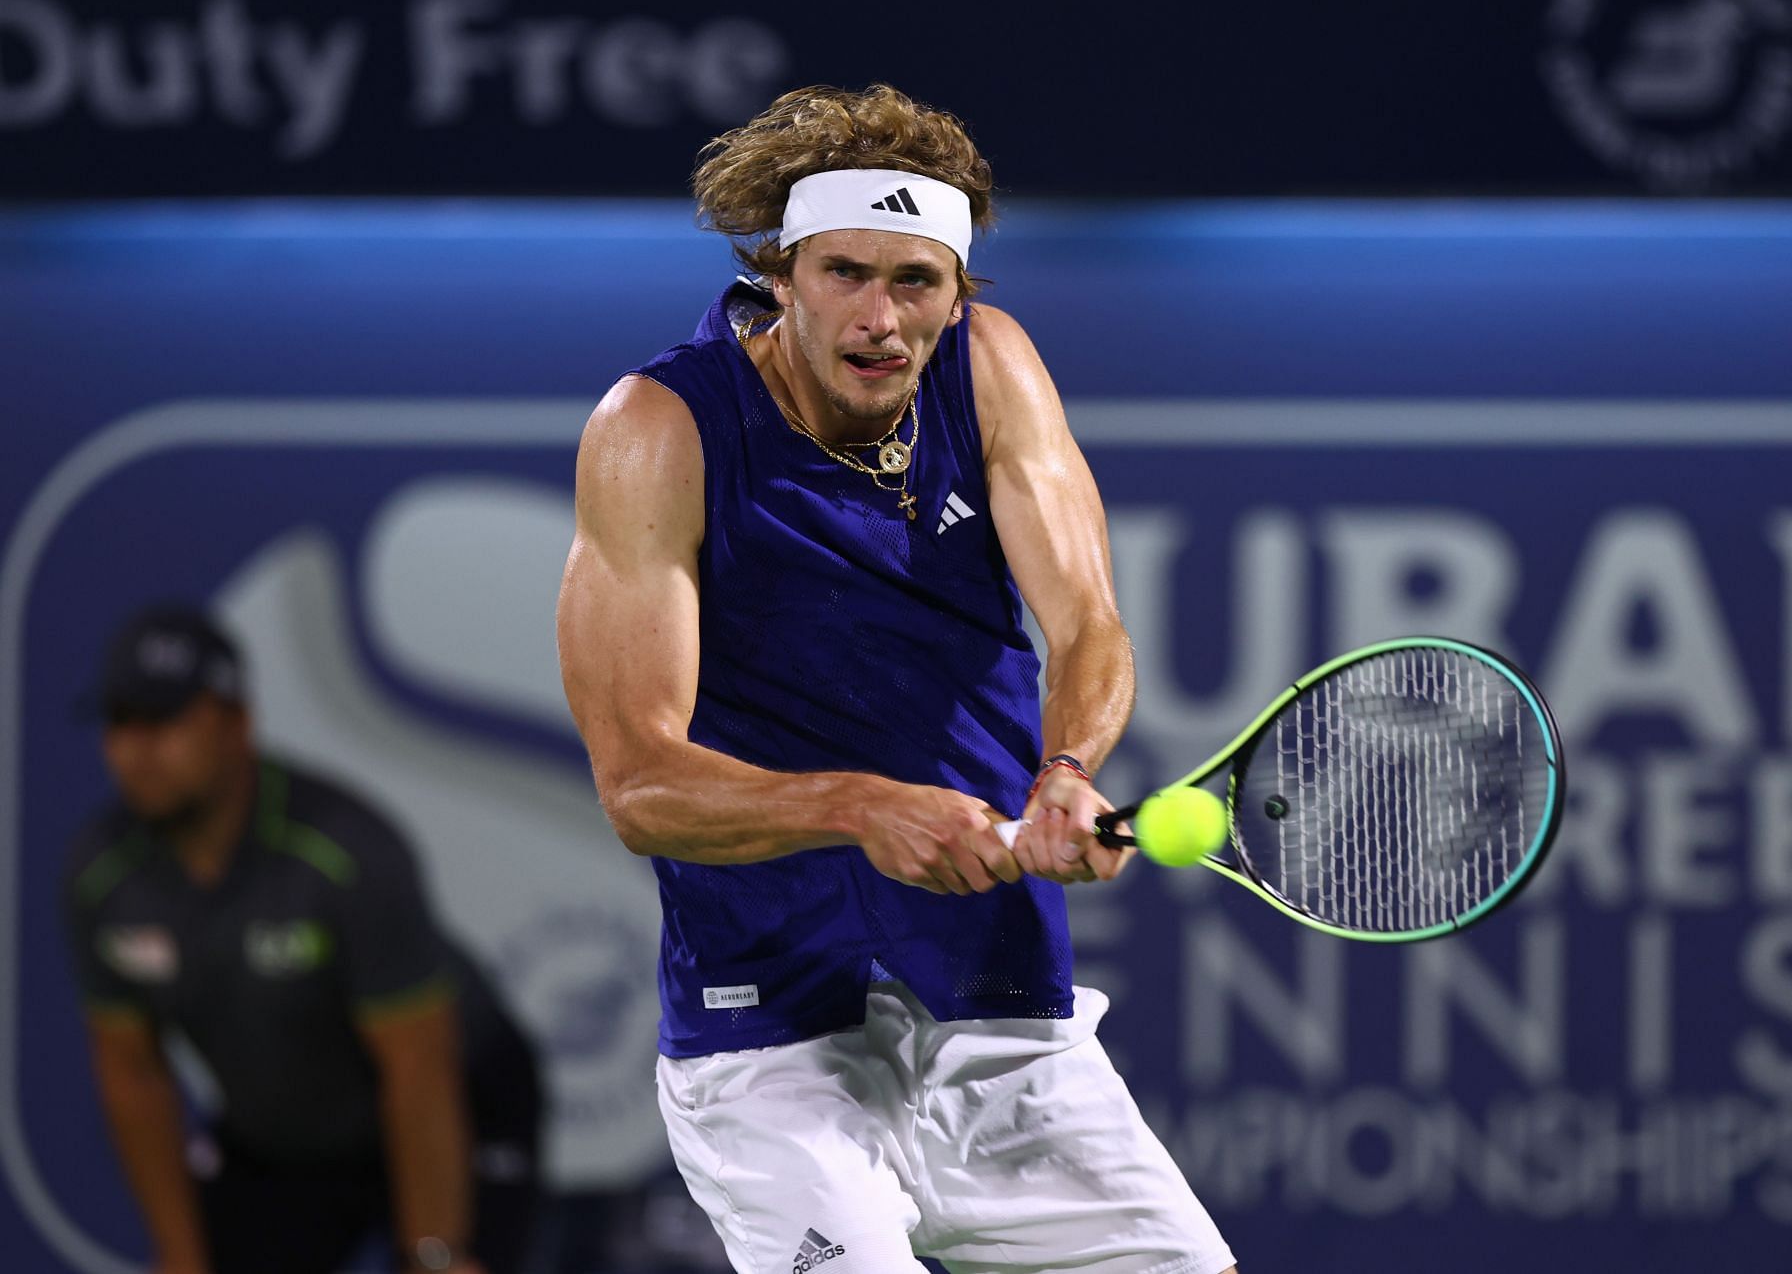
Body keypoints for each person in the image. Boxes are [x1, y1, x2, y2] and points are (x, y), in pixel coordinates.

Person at [557, 84, 1236, 1274]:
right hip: (770, 1038)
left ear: (959, 290)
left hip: (996, 1007)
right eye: (845, 274)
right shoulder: (659, 427)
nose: (880, 317)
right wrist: (860, 806)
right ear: (780, 270)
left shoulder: (992, 370)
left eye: (915, 281)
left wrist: (1068, 773)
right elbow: (640, 785)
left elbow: (1088, 624)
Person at [62, 607, 544, 1274]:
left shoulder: (343, 853)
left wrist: (437, 1252)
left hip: (459, 1097)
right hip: (282, 1136)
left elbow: (418, 1070)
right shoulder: (101, 875)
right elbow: (133, 1072)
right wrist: (179, 1252)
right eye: (121, 721)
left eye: (165, 718)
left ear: (237, 722)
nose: (139, 748)